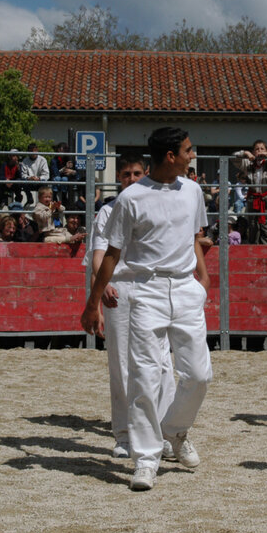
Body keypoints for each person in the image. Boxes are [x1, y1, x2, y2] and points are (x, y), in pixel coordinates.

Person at [80, 127, 212, 492]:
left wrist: (202, 277)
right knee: (145, 375)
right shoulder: (131, 198)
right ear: (170, 156)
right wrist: (93, 302)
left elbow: (193, 237)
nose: (192, 155)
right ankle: (146, 459)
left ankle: (174, 429)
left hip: (184, 287)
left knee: (199, 374)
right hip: (145, 289)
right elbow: (113, 253)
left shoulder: (193, 190)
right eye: (188, 150)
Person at [85, 153, 178, 461]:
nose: (132, 179)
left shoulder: (161, 205)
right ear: (119, 178)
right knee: (122, 364)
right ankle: (125, 433)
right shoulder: (108, 211)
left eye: (138, 173)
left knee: (163, 364)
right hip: (120, 291)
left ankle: (163, 431)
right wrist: (101, 286)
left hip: (154, 291)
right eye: (126, 174)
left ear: (147, 173)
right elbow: (99, 253)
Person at [232, 140, 267, 244]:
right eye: (257, 149)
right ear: (253, 151)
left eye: (262, 149)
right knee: (252, 225)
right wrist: (246, 153)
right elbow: (234, 157)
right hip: (253, 198)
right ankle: (253, 249)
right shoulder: (247, 163)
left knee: (266, 225)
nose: (259, 151)